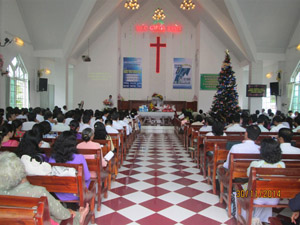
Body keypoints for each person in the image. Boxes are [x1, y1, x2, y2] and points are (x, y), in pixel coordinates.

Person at [0, 151, 89, 225]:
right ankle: (80, 218)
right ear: (22, 169)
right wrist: (72, 212)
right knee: (72, 216)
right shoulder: (37, 191)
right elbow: (63, 215)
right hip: (38, 222)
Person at [242, 138, 285, 223]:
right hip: (274, 197)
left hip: (256, 198)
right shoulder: (282, 164)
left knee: (239, 191)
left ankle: (249, 218)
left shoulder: (256, 164)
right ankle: (262, 218)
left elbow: (248, 175)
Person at [49, 131, 91, 201]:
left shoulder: (52, 157)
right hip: (76, 192)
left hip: (57, 192)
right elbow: (86, 177)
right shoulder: (79, 157)